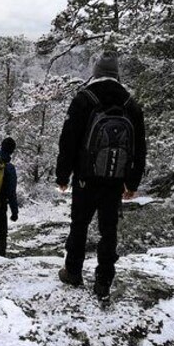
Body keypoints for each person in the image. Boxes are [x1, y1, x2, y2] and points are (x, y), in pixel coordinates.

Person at [56, 51, 146, 298]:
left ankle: (73, 272)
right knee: (109, 230)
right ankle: (103, 281)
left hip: (86, 178)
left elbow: (68, 141)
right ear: (117, 74)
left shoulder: (84, 98)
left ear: (95, 72)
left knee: (80, 225)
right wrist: (132, 182)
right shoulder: (130, 103)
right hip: (115, 180)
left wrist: (62, 176)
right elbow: (140, 146)